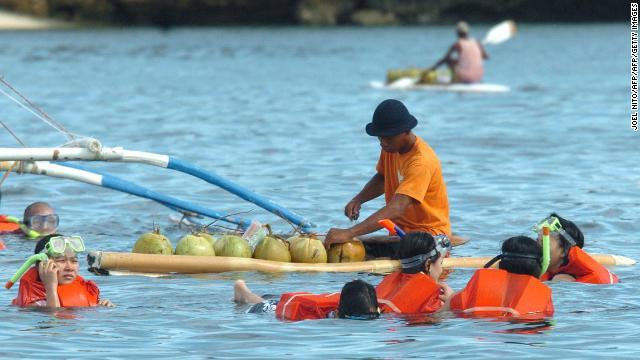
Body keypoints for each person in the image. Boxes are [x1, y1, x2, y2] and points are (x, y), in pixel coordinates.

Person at [324, 99, 451, 257]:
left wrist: (349, 233)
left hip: (428, 238)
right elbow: (383, 177)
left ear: (406, 131)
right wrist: (358, 199)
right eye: (380, 137)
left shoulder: (421, 162)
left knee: (361, 255)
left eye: (388, 138)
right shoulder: (390, 148)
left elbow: (396, 208)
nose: (383, 142)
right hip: (398, 235)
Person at [448, 236, 554, 320]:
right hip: (520, 331)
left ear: (501, 262)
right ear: (538, 266)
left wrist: (450, 296)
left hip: (475, 329)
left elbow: (445, 311)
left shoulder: (478, 283)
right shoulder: (542, 294)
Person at [11, 234, 114, 308]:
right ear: (41, 265)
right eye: (61, 260)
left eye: (74, 261)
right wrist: (50, 287)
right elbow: (54, 319)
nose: (69, 267)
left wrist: (101, 306)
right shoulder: (33, 302)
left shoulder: (80, 287)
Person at [376, 231, 453, 314]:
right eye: (440, 262)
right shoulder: (432, 295)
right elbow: (436, 318)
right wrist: (451, 301)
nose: (441, 269)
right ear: (428, 264)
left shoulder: (389, 280)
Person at [234, 279, 380, 321]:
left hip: (293, 300)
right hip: (273, 309)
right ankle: (242, 290)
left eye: (373, 315)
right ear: (336, 315)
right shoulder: (311, 318)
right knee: (257, 303)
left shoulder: (364, 307)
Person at [533, 213, 619, 284]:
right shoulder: (550, 270)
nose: (536, 248)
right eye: (537, 241)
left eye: (543, 244)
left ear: (563, 251)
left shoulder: (562, 279)